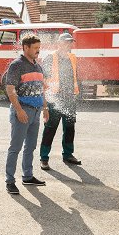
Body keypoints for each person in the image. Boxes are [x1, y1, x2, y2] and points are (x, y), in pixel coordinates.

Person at [5, 33, 49, 195]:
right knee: (15, 147)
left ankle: (27, 176)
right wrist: (19, 110)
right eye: (36, 48)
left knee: (30, 147)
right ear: (26, 48)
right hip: (23, 111)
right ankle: (9, 181)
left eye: (39, 47)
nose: (38, 50)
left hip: (36, 112)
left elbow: (41, 90)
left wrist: (45, 108)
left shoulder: (38, 66)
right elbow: (10, 90)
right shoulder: (16, 65)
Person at [39, 33, 81, 170]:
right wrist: (45, 102)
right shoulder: (50, 57)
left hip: (69, 99)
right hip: (54, 99)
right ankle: (44, 158)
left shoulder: (72, 58)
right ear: (59, 43)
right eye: (66, 42)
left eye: (70, 42)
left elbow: (75, 77)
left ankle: (68, 154)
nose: (68, 45)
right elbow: (43, 80)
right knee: (50, 128)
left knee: (70, 128)